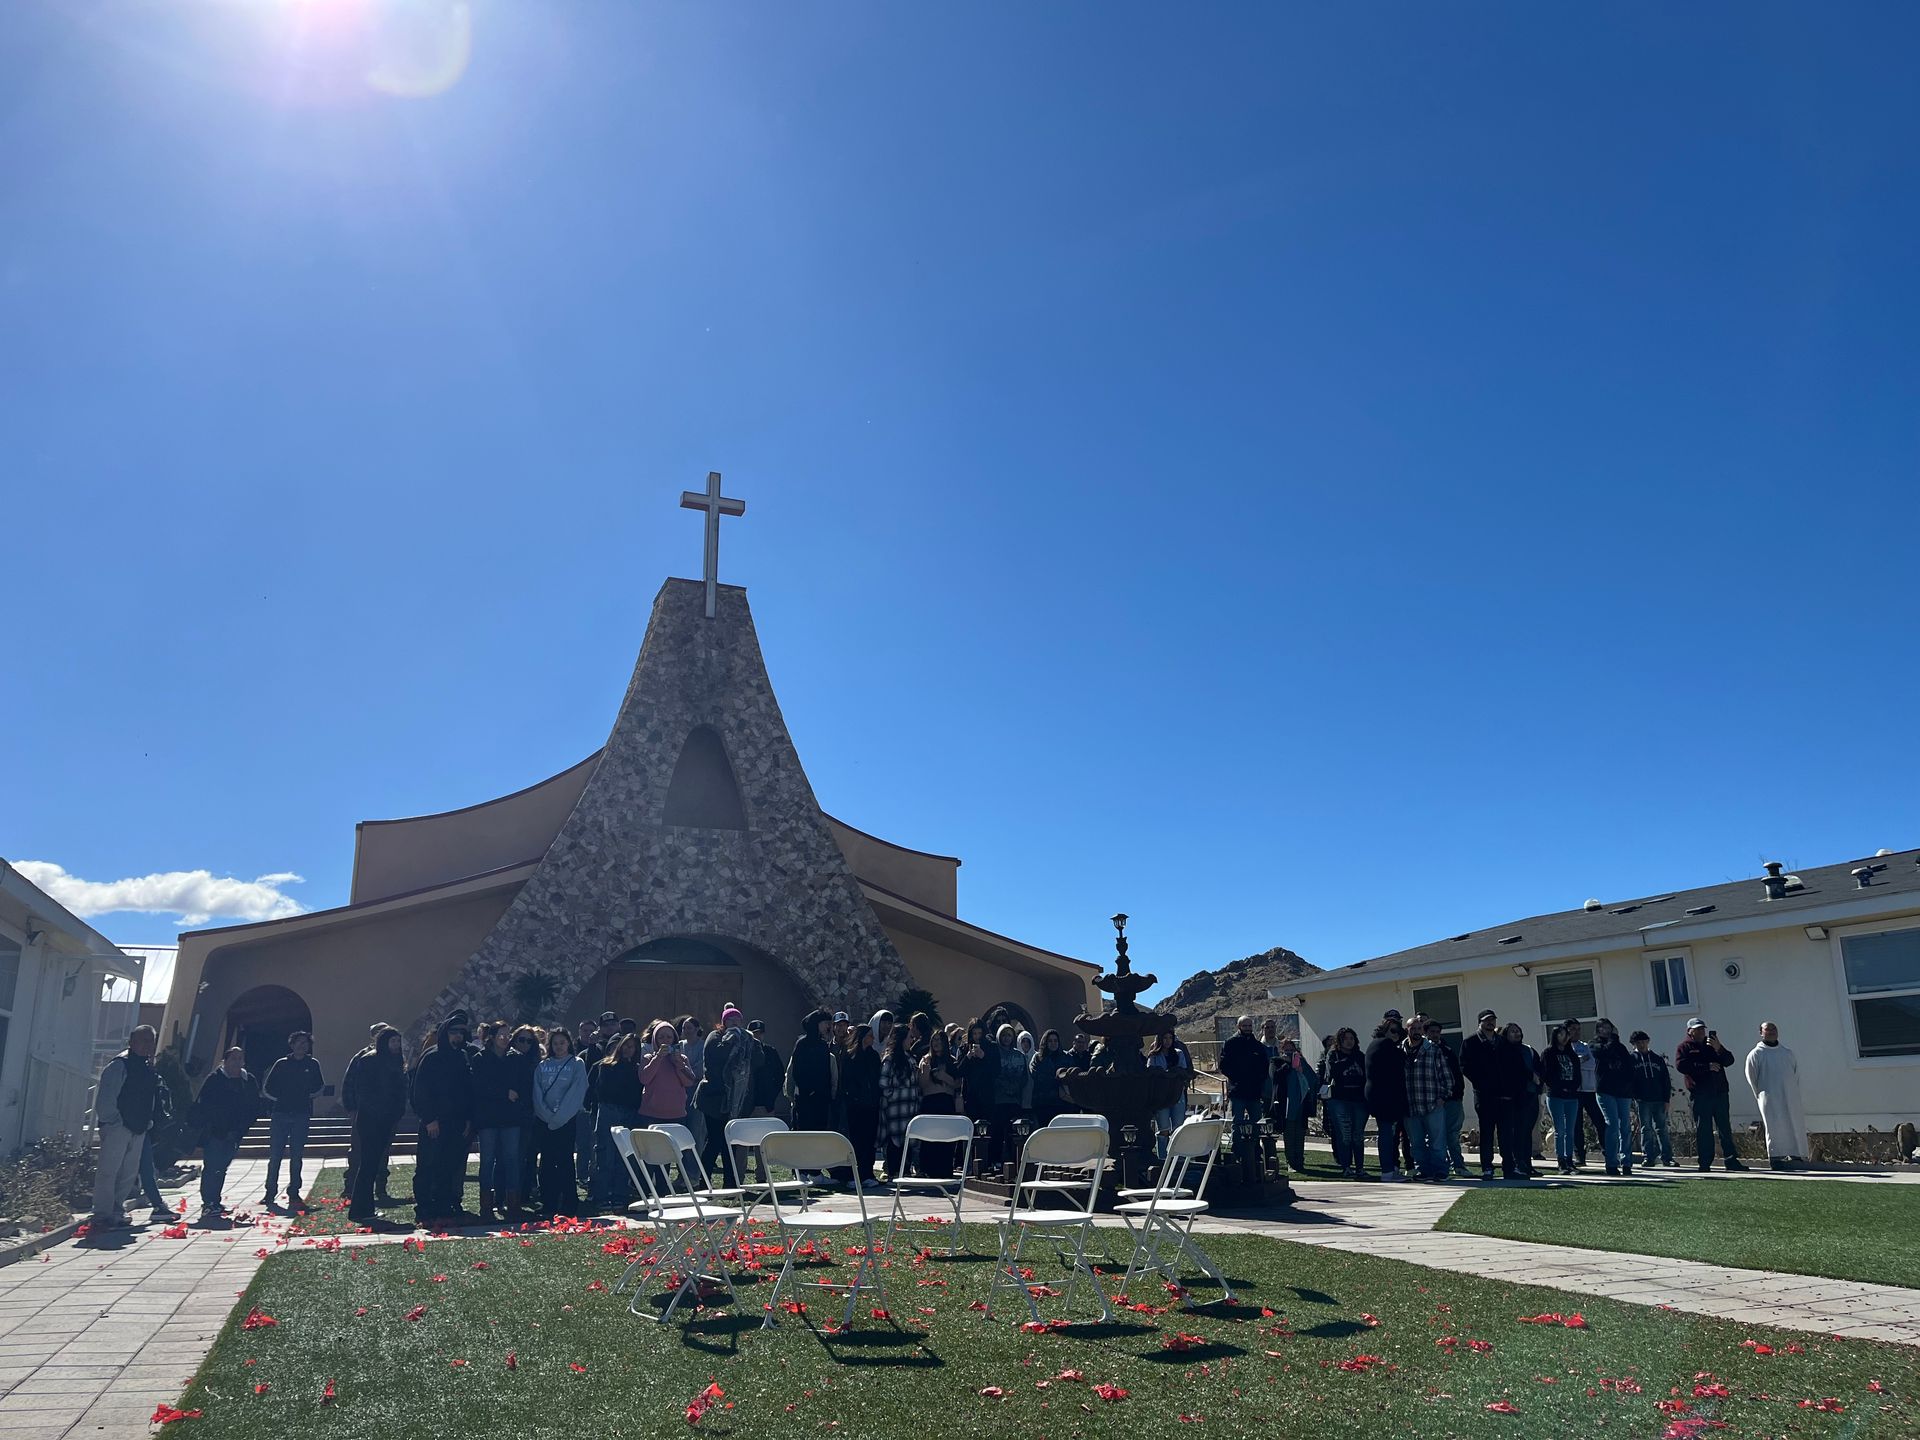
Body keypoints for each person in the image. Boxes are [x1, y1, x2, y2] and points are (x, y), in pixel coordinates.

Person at [89, 1024, 162, 1229]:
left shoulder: (148, 1067)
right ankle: (102, 1213)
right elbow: (106, 1098)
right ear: (132, 1042)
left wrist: (147, 1122)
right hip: (118, 1127)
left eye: (150, 1041)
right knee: (108, 1171)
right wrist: (114, 1122)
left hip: (139, 1128)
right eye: (143, 1040)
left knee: (128, 1173)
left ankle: (116, 1208)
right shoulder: (119, 1065)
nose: (147, 1045)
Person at [411, 1012, 477, 1226]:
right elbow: (420, 1091)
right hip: (434, 1123)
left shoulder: (463, 1056)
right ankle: (424, 1207)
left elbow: (468, 1091)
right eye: (453, 1032)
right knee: (427, 1166)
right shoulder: (431, 1056)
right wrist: (429, 1119)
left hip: (457, 1123)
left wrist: (468, 1120)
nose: (457, 1036)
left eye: (461, 1033)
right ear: (444, 1033)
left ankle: (444, 1204)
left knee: (448, 1166)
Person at [343, 1027, 407, 1226]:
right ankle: (361, 1209)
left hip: (387, 1119)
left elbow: (399, 1090)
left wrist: (395, 1112)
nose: (396, 1045)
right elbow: (364, 1091)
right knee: (368, 1164)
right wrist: (378, 1111)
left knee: (373, 1164)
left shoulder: (395, 1061)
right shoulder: (369, 1060)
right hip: (371, 1120)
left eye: (398, 1041)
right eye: (393, 1041)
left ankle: (364, 1208)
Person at [193, 1045, 261, 1220]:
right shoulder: (215, 1079)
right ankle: (208, 1203)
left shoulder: (248, 1080)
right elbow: (205, 1105)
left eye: (240, 1059)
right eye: (233, 1059)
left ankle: (215, 1200)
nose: (237, 1062)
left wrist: (240, 1129)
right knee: (212, 1167)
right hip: (215, 1132)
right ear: (225, 1061)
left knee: (222, 1168)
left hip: (235, 1133)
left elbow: (253, 1106)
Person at [471, 1022, 530, 1222]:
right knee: (487, 1160)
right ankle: (486, 1205)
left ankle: (513, 1203)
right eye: (501, 1035)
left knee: (512, 1159)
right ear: (492, 1037)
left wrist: (516, 1099)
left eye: (507, 1035)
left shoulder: (516, 1059)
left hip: (511, 1117)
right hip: (488, 1118)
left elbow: (523, 1085)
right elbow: (479, 1087)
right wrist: (504, 1093)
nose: (505, 1038)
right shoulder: (481, 1059)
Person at [262, 1030, 324, 1212]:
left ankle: (294, 1191)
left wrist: (306, 1097)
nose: (302, 1046)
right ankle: (270, 1192)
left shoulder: (312, 1064)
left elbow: (320, 1086)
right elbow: (267, 1087)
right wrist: (281, 1099)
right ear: (292, 1044)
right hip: (280, 1114)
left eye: (305, 1043)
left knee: (296, 1155)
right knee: (275, 1155)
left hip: (301, 1114)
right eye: (299, 1042)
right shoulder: (281, 1064)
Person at [1675, 1018, 1746, 1171]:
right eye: (1697, 1029)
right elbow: (1681, 1065)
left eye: (1702, 1029)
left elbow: (1729, 1060)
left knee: (1724, 1128)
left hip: (1720, 1092)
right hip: (1701, 1094)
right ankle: (1705, 1162)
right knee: (1704, 1129)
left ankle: (1731, 1160)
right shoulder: (1685, 1047)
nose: (1701, 1032)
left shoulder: (1712, 1045)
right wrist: (1706, 1067)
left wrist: (1719, 1048)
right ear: (1690, 1031)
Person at [531, 1026, 586, 1217]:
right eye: (555, 1043)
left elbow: (576, 1092)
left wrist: (560, 1118)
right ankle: (548, 1202)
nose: (559, 1046)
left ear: (569, 1043)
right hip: (545, 1121)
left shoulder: (577, 1063)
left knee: (565, 1161)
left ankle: (569, 1203)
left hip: (566, 1121)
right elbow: (537, 1093)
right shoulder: (542, 1066)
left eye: (562, 1043)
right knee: (546, 1161)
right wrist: (547, 1116)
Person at [591, 1031, 645, 1208]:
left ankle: (620, 1193)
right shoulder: (606, 1066)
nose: (629, 1049)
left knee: (624, 1155)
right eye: (626, 1046)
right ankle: (601, 1195)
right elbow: (600, 1091)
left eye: (632, 1047)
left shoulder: (637, 1069)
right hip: (609, 1110)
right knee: (605, 1153)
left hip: (629, 1113)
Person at [1745, 1021, 1809, 1170]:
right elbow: (1752, 1077)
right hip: (1769, 1097)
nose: (1772, 1032)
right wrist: (1761, 1095)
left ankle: (1796, 1154)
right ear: (1761, 1033)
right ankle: (1775, 1156)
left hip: (1790, 1096)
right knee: (1774, 1126)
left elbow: (1795, 1074)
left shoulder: (1787, 1053)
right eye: (1768, 1030)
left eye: (1774, 1029)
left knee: (1793, 1123)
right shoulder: (1756, 1054)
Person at [1460, 1009, 1507, 1182]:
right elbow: (1464, 1066)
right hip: (1484, 1095)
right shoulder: (1470, 1042)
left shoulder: (1501, 1041)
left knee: (1505, 1132)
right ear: (1480, 1023)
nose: (1490, 1023)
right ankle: (1487, 1167)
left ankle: (1508, 1166)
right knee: (1487, 1133)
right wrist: (1481, 1082)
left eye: (1493, 1020)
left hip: (1503, 1095)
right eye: (1487, 1020)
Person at [1364, 1016, 1410, 1182]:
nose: (1396, 1033)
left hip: (1378, 1096)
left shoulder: (1375, 1045)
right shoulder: (1385, 1044)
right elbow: (1400, 1062)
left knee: (1387, 1134)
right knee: (1386, 1134)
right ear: (1384, 1030)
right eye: (1392, 1030)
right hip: (1385, 1097)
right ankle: (1388, 1171)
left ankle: (1389, 1169)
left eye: (1398, 1031)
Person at [1402, 1018, 1450, 1180]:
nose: (1416, 1031)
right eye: (1412, 1028)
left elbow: (1446, 1076)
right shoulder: (1400, 1051)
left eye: (1418, 1028)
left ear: (1422, 1031)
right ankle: (1423, 1170)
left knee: (1437, 1141)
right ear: (1407, 1030)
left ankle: (1440, 1170)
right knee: (1416, 1143)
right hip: (1410, 1105)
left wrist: (1443, 1096)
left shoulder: (1433, 1049)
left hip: (1432, 1102)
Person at [1318, 1027, 1368, 1178]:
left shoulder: (1360, 1056)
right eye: (1345, 1038)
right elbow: (1332, 1073)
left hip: (1359, 1100)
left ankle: (1360, 1168)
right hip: (1339, 1100)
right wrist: (1346, 1062)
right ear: (1339, 1040)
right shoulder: (1333, 1055)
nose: (1349, 1041)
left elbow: (1366, 1075)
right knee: (1344, 1135)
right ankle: (1346, 1167)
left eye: (1351, 1038)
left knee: (1358, 1136)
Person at [916, 1027, 965, 1177]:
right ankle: (927, 1169)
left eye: (939, 1040)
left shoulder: (952, 1061)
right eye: (934, 1040)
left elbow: (958, 1083)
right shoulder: (926, 1059)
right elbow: (922, 1085)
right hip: (930, 1102)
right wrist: (926, 1071)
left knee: (946, 1137)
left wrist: (944, 1077)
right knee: (929, 1138)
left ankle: (945, 1169)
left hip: (946, 1103)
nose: (936, 1043)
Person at [1591, 1018, 1637, 1176]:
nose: (1606, 1030)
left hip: (1623, 1092)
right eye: (1602, 1028)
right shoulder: (1594, 1044)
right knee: (1612, 1124)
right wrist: (1613, 1039)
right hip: (1605, 1090)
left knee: (1625, 1126)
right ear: (1598, 1030)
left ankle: (1627, 1162)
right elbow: (1603, 1053)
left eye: (1608, 1027)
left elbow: (1629, 1067)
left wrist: (1630, 1087)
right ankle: (1611, 1163)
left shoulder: (1620, 1047)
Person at [1271, 1036, 1322, 1172]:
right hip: (1286, 1105)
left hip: (1301, 1104)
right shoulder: (1277, 1062)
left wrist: (1300, 1066)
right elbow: (1275, 1077)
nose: (1289, 1053)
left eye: (1291, 1050)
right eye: (1286, 1050)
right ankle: (1291, 1162)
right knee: (1289, 1134)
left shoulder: (1301, 1062)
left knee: (1299, 1134)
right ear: (1281, 1050)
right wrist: (1287, 1064)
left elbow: (1312, 1079)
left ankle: (1300, 1161)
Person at [1561, 1018, 1607, 1169]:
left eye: (1578, 1029)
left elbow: (1592, 1063)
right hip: (1573, 1092)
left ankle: (1607, 1152)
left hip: (1589, 1090)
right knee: (1576, 1125)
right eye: (1573, 1029)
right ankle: (1579, 1156)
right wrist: (1580, 1061)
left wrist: (1580, 1061)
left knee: (1600, 1122)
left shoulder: (1586, 1046)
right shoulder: (1564, 1048)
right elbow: (1570, 1064)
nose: (1576, 1032)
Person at [842, 1023, 883, 1190]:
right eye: (870, 1035)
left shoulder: (873, 1056)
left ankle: (867, 1174)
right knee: (856, 1141)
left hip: (871, 1105)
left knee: (869, 1141)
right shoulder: (850, 1056)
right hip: (856, 1106)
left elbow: (877, 1078)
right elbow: (846, 1080)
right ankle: (854, 1175)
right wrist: (854, 1096)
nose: (872, 1038)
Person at [1424, 1019, 1468, 1176]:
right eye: (1432, 1032)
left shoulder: (1447, 1049)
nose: (1435, 1035)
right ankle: (1436, 1167)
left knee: (1453, 1135)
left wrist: (1458, 1094)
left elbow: (1456, 1073)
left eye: (1437, 1032)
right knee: (1434, 1136)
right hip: (1434, 1101)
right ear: (1425, 1033)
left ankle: (1459, 1165)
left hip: (1453, 1099)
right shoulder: (1423, 1050)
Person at [1539, 1025, 1584, 1174]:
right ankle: (1561, 1161)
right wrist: (1560, 1087)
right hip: (1556, 1095)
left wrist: (1572, 1088)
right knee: (1560, 1130)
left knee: (1570, 1130)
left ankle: (1569, 1160)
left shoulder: (1571, 1053)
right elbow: (1546, 1075)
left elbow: (1577, 1075)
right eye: (1561, 1034)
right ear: (1555, 1036)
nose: (1565, 1037)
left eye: (1566, 1034)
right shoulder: (1548, 1053)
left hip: (1572, 1096)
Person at [1627, 1031, 1675, 1168]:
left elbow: (1665, 1080)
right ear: (1634, 1044)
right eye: (1638, 1043)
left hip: (1659, 1099)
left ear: (1648, 1041)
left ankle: (1667, 1157)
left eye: (1644, 1041)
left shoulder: (1657, 1059)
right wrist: (1634, 1097)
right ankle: (1648, 1157)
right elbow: (1629, 1080)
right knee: (1646, 1128)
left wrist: (1666, 1099)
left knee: (1662, 1128)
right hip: (1642, 1100)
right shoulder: (1631, 1059)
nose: (1642, 1045)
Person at [878, 1024, 920, 1179]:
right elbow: (883, 1083)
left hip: (910, 1108)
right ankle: (893, 1171)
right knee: (894, 1141)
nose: (912, 1040)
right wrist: (894, 1095)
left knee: (908, 1141)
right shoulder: (890, 1059)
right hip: (895, 1109)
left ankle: (905, 1171)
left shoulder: (911, 1058)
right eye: (909, 1037)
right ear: (901, 1038)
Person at [1218, 1015, 1269, 1138]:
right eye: (1244, 1025)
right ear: (1238, 1026)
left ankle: (1255, 1148)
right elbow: (1223, 1066)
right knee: (1237, 1124)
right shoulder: (1230, 1044)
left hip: (1254, 1092)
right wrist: (1237, 1079)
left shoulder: (1257, 1046)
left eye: (1249, 1025)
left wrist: (1258, 1080)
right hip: (1237, 1092)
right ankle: (1238, 1148)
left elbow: (1264, 1067)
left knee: (1257, 1123)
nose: (1247, 1028)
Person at [1503, 1022, 1543, 1175]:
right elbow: (1515, 1070)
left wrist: (1538, 1081)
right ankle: (1518, 1163)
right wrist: (1529, 1075)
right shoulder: (1505, 1050)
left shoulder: (1528, 1049)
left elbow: (1539, 1068)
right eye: (1512, 1031)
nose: (1516, 1034)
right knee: (1518, 1132)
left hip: (1531, 1094)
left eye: (1518, 1031)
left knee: (1527, 1131)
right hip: (1515, 1096)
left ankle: (1527, 1164)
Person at [789, 1009, 838, 1133]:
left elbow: (826, 1073)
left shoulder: (823, 1046)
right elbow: (797, 1072)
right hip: (805, 1099)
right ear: (816, 1024)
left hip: (822, 1100)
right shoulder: (802, 1044)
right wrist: (809, 1090)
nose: (828, 1026)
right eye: (825, 1023)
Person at [988, 1024, 1028, 1173]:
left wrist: (1015, 1088)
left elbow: (1024, 1077)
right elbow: (993, 1075)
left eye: (1009, 1035)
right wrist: (1005, 1087)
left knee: (1013, 1133)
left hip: (1015, 1101)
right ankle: (995, 1161)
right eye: (1004, 1035)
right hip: (999, 1100)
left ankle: (1014, 1160)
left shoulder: (1019, 1055)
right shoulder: (995, 1054)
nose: (1006, 1038)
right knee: (997, 1132)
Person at [1147, 1029, 1192, 1160]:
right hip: (1161, 1096)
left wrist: (1176, 1073)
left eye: (1170, 1038)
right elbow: (1150, 1073)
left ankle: (1178, 1158)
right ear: (1160, 1039)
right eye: (1165, 1038)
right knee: (1163, 1129)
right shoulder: (1154, 1055)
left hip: (1177, 1094)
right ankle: (1163, 1158)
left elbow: (1184, 1071)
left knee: (1178, 1127)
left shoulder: (1178, 1053)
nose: (1167, 1041)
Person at [574, 1018, 605, 1188]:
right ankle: (581, 1175)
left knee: (593, 1142)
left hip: (594, 1103)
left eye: (590, 1031)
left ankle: (593, 1175)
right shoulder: (575, 1052)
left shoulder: (601, 1050)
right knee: (582, 1143)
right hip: (579, 1103)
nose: (587, 1034)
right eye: (584, 1030)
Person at [1029, 1028, 1071, 1127]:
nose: (1053, 1043)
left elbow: (1070, 1076)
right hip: (1042, 1102)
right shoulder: (1038, 1058)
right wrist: (1056, 1078)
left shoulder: (1066, 1057)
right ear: (1045, 1042)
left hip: (1062, 1103)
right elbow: (1035, 1074)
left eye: (1055, 1041)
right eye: (1050, 1041)